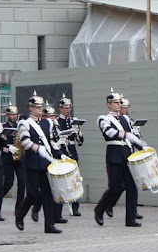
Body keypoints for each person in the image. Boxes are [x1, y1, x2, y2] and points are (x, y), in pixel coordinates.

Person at [93, 90, 145, 227]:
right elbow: (109, 133)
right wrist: (126, 134)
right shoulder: (103, 118)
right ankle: (100, 209)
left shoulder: (125, 119)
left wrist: (142, 147)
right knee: (115, 187)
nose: (119, 105)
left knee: (132, 187)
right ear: (109, 105)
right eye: (116, 103)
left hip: (128, 154)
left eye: (119, 102)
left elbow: (133, 136)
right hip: (114, 154)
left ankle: (130, 218)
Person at [15, 96, 64, 234]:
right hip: (32, 163)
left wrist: (61, 155)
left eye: (41, 107)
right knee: (32, 194)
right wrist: (37, 148)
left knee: (48, 194)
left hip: (46, 163)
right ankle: (20, 214)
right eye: (37, 107)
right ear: (30, 108)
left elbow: (52, 144)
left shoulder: (48, 123)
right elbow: (25, 142)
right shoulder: (25, 123)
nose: (39, 109)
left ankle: (49, 225)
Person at [53, 97, 84, 218]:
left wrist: (78, 132)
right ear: (60, 108)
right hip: (62, 150)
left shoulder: (72, 121)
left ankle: (75, 206)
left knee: (75, 179)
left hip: (72, 150)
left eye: (69, 108)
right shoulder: (56, 121)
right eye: (65, 108)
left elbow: (80, 141)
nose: (67, 110)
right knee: (63, 181)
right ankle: (60, 209)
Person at [0, 104, 24, 213]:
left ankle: (18, 208)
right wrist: (7, 148)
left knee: (22, 183)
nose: (14, 117)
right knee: (8, 183)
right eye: (12, 115)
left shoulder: (20, 126)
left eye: (15, 114)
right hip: (8, 158)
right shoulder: (2, 126)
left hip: (19, 158)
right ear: (7, 115)